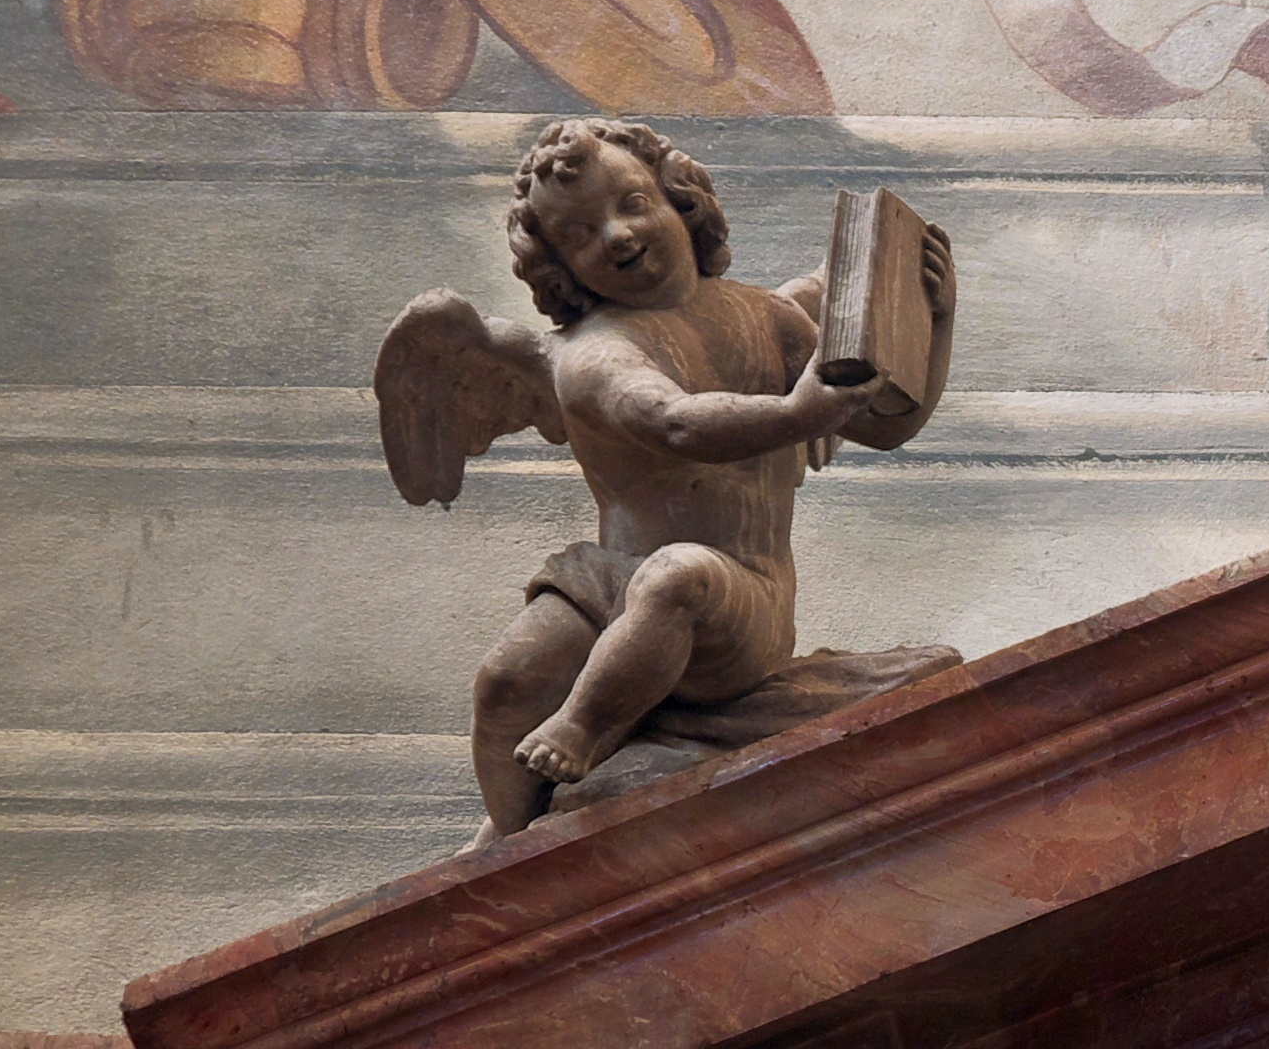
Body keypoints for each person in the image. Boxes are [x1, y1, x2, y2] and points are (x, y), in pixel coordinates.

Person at [372, 118, 952, 832]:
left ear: (680, 199)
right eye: (579, 234)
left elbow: (884, 425)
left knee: (675, 575)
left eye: (631, 203)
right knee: (508, 678)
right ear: (559, 267)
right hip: (610, 580)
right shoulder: (588, 357)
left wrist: (939, 324)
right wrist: (801, 412)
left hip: (742, 600)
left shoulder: (770, 320)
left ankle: (582, 729)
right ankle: (512, 847)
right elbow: (676, 423)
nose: (614, 236)